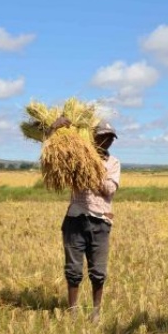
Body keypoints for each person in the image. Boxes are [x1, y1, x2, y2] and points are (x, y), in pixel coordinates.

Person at [57, 119, 121, 323]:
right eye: (103, 136)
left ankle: (95, 313)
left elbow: (109, 189)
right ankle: (73, 312)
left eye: (110, 137)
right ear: (93, 137)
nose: (107, 141)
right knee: (73, 270)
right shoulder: (76, 158)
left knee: (98, 272)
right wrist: (57, 129)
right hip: (75, 219)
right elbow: (56, 158)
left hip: (100, 222)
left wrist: (91, 167)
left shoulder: (113, 163)